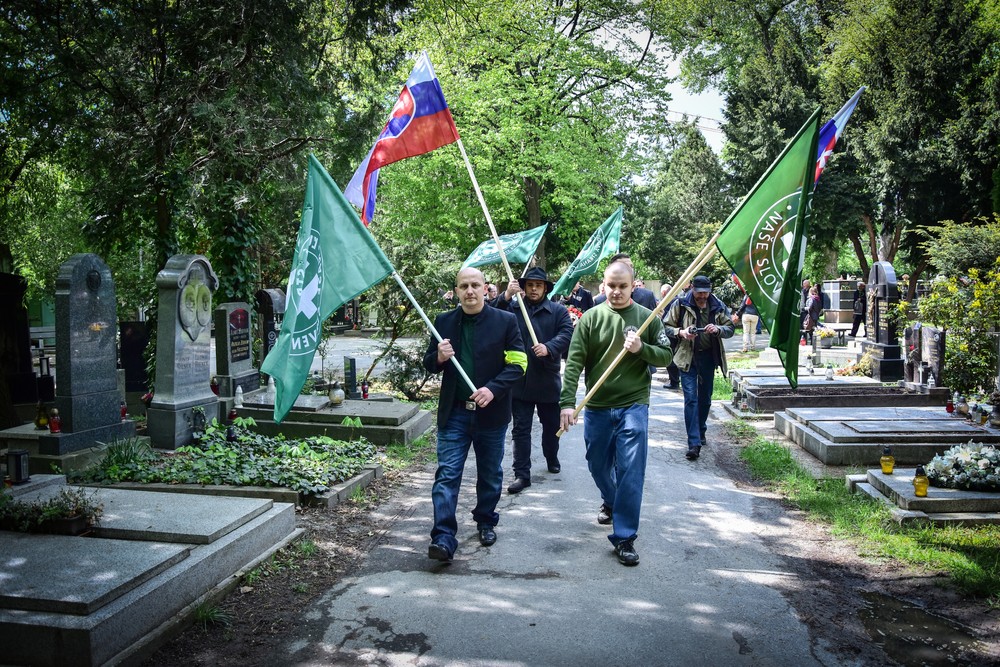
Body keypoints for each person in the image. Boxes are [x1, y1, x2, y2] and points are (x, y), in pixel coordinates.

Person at [560, 261, 673, 566]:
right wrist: (567, 403)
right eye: (611, 285)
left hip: (634, 404)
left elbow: (666, 356)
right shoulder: (590, 319)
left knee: (631, 470)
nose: (617, 291)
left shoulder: (647, 318)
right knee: (597, 464)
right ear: (603, 286)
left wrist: (641, 349)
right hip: (597, 406)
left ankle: (624, 537)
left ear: (634, 285)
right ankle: (611, 500)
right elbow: (574, 364)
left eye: (623, 286)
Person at [422, 267, 527, 562]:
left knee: (490, 474)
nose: (470, 291)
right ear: (456, 291)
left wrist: (493, 389)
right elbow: (429, 363)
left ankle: (485, 520)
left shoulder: (505, 321)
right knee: (447, 475)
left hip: (491, 414)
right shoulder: (443, 322)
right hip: (454, 413)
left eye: (475, 285)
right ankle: (443, 538)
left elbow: (519, 363)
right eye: (463, 286)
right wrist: (439, 357)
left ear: (485, 288)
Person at [496, 268, 574, 493]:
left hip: (547, 379)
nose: (533, 289)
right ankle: (522, 474)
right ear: (523, 286)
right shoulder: (512, 308)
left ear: (545, 288)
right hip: (519, 380)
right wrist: (505, 296)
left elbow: (567, 334)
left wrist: (549, 347)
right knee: (520, 429)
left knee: (551, 427)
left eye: (538, 285)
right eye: (529, 284)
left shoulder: (558, 311)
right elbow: (490, 316)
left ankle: (552, 456)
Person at [662, 275, 734, 461]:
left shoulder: (717, 304)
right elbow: (665, 326)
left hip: (709, 357)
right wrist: (682, 332)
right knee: (691, 399)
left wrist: (718, 329)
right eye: (699, 292)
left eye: (705, 293)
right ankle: (693, 443)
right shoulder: (680, 304)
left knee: (705, 398)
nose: (702, 296)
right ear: (692, 289)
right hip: (687, 357)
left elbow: (730, 328)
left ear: (710, 291)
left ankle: (701, 430)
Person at [592, 253, 657, 309]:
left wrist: (658, 318)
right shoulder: (599, 301)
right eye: (625, 266)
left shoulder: (647, 296)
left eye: (631, 266)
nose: (630, 270)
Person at [659, 283, 680, 390]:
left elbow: (665, 319)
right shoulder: (679, 300)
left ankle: (674, 381)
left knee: (670, 358)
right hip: (679, 333)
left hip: (671, 334)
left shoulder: (669, 302)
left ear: (663, 293)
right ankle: (675, 380)